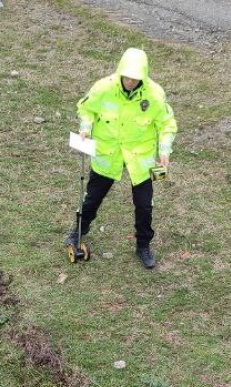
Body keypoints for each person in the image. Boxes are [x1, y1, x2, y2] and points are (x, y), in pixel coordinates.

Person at [66, 48, 177, 269]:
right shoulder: (103, 88)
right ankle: (77, 232)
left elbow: (167, 124)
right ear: (120, 73)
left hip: (141, 159)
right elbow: (86, 108)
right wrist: (85, 128)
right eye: (126, 77)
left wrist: (164, 151)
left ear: (143, 77)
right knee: (92, 198)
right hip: (108, 155)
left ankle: (143, 246)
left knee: (145, 205)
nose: (129, 81)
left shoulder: (154, 94)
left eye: (135, 79)